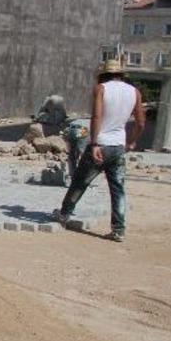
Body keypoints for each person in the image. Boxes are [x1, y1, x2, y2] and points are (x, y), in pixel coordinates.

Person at [53, 60, 145, 242]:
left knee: (80, 181)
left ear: (103, 74)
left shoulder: (101, 89)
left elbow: (97, 116)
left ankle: (64, 215)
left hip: (100, 145)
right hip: (118, 147)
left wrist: (94, 143)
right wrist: (131, 142)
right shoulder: (134, 92)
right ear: (121, 74)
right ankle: (118, 230)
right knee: (118, 189)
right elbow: (141, 122)